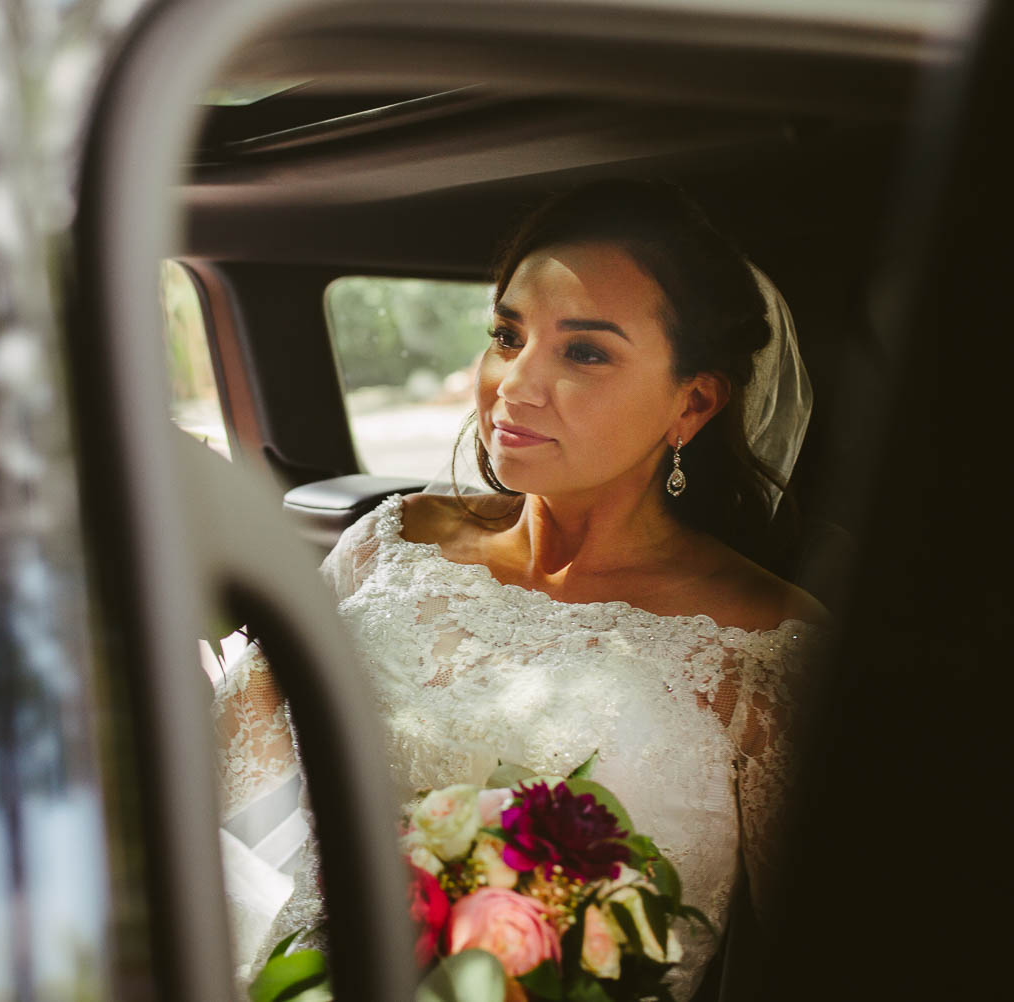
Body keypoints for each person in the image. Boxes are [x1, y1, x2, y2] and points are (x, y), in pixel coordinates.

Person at [212, 179, 829, 1000]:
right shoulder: (394, 540)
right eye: (508, 334)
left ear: (693, 403)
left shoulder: (767, 640)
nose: (514, 384)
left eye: (584, 351)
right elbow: (223, 779)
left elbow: (837, 951)